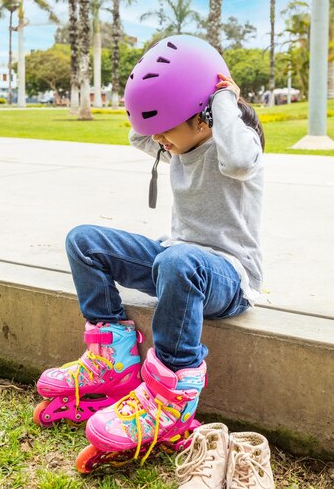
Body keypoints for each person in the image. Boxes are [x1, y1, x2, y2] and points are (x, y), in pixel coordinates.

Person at [35, 35, 266, 477]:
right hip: (172, 260)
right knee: (84, 240)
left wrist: (219, 96)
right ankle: (113, 358)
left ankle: (171, 398)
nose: (158, 139)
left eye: (167, 128)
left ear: (203, 118)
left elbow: (236, 160)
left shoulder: (239, 146)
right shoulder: (174, 141)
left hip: (227, 277)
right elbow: (137, 130)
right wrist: (154, 93)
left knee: (176, 262)